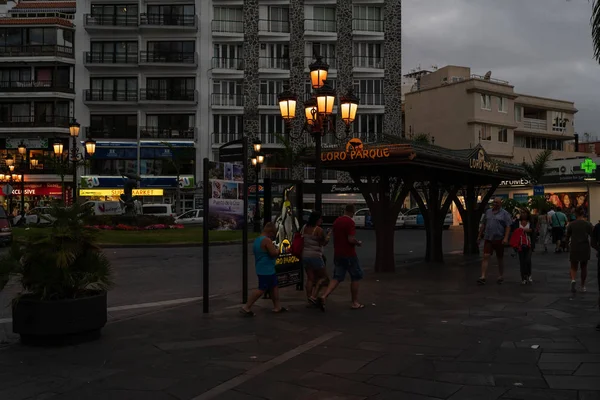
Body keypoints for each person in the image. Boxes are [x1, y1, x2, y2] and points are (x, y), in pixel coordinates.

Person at [318, 204, 363, 310]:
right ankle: (355, 302)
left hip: (338, 253)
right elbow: (350, 239)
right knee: (355, 276)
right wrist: (358, 243)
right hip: (349, 253)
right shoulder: (350, 222)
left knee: (337, 277)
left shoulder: (337, 221)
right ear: (352, 212)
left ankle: (324, 295)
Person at [240, 222, 287, 316]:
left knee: (274, 286)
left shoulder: (257, 239)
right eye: (273, 234)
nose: (273, 236)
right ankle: (246, 307)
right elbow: (273, 253)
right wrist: (281, 250)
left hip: (262, 267)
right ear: (270, 232)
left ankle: (277, 307)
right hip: (266, 269)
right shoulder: (266, 240)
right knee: (262, 288)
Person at [477, 197, 512, 285]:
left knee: (499, 258)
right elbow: (483, 224)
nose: (495, 204)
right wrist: (479, 236)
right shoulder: (488, 212)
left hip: (499, 238)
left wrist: (506, 238)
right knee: (486, 256)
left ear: (500, 204)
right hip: (488, 238)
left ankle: (500, 275)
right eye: (494, 202)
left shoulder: (505, 214)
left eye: (497, 202)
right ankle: (483, 276)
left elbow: (508, 226)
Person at [301, 211, 330, 305]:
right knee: (324, 277)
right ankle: (314, 296)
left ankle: (309, 299)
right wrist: (328, 236)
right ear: (317, 219)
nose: (321, 220)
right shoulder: (318, 230)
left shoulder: (304, 227)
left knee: (310, 278)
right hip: (315, 256)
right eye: (320, 219)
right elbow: (323, 243)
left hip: (305, 255)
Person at [566, 207, 593, 294]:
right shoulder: (588, 224)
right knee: (584, 267)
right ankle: (583, 285)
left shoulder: (572, 224)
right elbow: (592, 235)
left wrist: (567, 244)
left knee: (573, 265)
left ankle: (573, 280)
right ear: (583, 214)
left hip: (574, 246)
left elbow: (567, 235)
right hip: (584, 246)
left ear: (575, 214)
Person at [511, 210, 533, 285]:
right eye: (522, 213)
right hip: (520, 244)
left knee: (528, 260)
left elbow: (533, 231)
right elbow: (513, 232)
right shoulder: (517, 222)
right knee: (522, 261)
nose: (523, 214)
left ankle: (529, 274)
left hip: (528, 244)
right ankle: (523, 277)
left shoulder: (530, 222)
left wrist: (529, 230)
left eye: (525, 213)